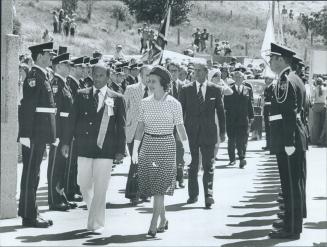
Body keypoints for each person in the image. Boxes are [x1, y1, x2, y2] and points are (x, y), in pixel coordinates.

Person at [61, 63, 126, 233]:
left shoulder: (117, 98)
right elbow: (71, 120)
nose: (97, 79)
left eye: (101, 76)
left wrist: (120, 150)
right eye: (95, 75)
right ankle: (95, 213)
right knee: (83, 184)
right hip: (84, 147)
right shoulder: (81, 94)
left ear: (108, 77)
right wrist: (66, 142)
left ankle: (94, 223)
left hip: (106, 149)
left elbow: (121, 126)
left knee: (101, 186)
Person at [131, 65, 190, 237]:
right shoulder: (144, 103)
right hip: (148, 145)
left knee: (159, 187)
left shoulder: (174, 104)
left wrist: (187, 151)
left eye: (153, 81)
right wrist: (135, 149)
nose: (150, 84)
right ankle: (163, 220)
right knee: (155, 188)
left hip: (166, 145)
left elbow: (180, 128)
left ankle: (152, 224)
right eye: (148, 81)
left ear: (163, 83)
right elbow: (140, 127)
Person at [268, 42, 308, 240]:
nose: (269, 62)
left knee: (290, 185)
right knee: (293, 183)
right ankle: (291, 223)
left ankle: (291, 228)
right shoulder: (294, 78)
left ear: (281, 59)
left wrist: (289, 142)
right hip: (292, 138)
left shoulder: (285, 80)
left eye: (272, 58)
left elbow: (289, 114)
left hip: (288, 139)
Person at [18, 42, 57, 228]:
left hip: (40, 134)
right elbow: (27, 108)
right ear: (40, 55)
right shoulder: (34, 76)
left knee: (35, 173)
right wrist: (25, 134)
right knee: (30, 173)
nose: (51, 58)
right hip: (33, 134)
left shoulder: (42, 75)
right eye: (49, 54)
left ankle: (32, 211)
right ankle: (28, 215)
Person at [179, 63, 226, 209]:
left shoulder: (215, 89)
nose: (196, 73)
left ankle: (208, 195)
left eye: (199, 71)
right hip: (191, 134)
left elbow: (221, 112)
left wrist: (223, 132)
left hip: (208, 134)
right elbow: (180, 113)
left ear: (206, 72)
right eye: (195, 71)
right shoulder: (186, 89)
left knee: (208, 166)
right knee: (192, 166)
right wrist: (181, 134)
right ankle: (193, 195)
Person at [48, 52, 76, 211]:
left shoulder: (64, 84)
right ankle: (54, 199)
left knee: (62, 165)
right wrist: (57, 135)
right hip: (59, 133)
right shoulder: (56, 84)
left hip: (66, 132)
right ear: (58, 66)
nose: (69, 67)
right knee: (55, 165)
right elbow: (56, 112)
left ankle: (61, 196)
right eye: (67, 65)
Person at [124, 65, 152, 205]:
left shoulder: (156, 90)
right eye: (146, 74)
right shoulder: (131, 89)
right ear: (140, 75)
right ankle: (133, 193)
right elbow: (123, 110)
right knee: (136, 161)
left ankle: (145, 192)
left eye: (150, 75)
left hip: (150, 131)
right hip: (133, 131)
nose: (148, 78)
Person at [224, 69, 254, 168]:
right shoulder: (229, 89)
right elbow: (225, 105)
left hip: (243, 119)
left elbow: (250, 104)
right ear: (233, 78)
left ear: (243, 78)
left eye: (240, 77)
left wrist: (251, 116)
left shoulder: (247, 89)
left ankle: (242, 157)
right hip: (231, 119)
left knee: (243, 139)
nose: (238, 79)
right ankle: (232, 159)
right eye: (236, 77)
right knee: (232, 139)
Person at [167, 62, 186, 188]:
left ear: (179, 72)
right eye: (171, 70)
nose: (173, 73)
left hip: (180, 124)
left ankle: (180, 177)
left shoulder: (184, 86)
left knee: (180, 150)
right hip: (166, 124)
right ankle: (170, 179)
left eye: (175, 70)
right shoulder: (163, 86)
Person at [208, 69, 233, 159]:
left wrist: (223, 84)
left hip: (218, 114)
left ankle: (213, 157)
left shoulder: (220, 86)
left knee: (218, 138)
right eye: (216, 76)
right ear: (211, 78)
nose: (219, 78)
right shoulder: (207, 86)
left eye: (219, 76)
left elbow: (230, 92)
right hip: (208, 114)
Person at [311, 77, 327, 144]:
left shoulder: (314, 89)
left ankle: (315, 140)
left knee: (316, 125)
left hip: (316, 106)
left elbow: (312, 99)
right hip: (323, 106)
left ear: (316, 82)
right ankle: (322, 139)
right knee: (323, 124)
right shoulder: (326, 89)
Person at [262, 76, 275, 151]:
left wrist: (266, 103)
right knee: (267, 128)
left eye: (267, 78)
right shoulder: (267, 88)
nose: (265, 80)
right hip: (267, 110)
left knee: (270, 128)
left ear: (271, 80)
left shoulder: (272, 88)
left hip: (270, 110)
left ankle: (271, 145)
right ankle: (268, 144)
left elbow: (273, 101)